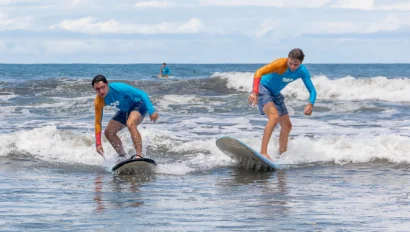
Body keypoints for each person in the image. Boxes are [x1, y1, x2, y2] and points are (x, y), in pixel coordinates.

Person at [248, 48, 316, 160]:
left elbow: (312, 90)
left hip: (275, 93)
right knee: (274, 117)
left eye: (296, 64)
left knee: (287, 126)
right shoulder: (279, 63)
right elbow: (258, 72)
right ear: (287, 58)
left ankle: (282, 155)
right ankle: (263, 152)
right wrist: (255, 92)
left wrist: (310, 104)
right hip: (263, 88)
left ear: (301, 63)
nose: (293, 67)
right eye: (291, 63)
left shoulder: (302, 71)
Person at [92, 74, 159, 159]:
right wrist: (98, 144)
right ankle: (123, 157)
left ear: (107, 84)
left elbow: (142, 94)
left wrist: (151, 111)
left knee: (130, 123)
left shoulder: (119, 88)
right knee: (108, 132)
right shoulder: (98, 102)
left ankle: (139, 155)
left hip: (139, 104)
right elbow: (98, 123)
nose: (101, 91)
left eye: (103, 87)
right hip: (126, 110)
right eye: (98, 89)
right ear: (94, 89)